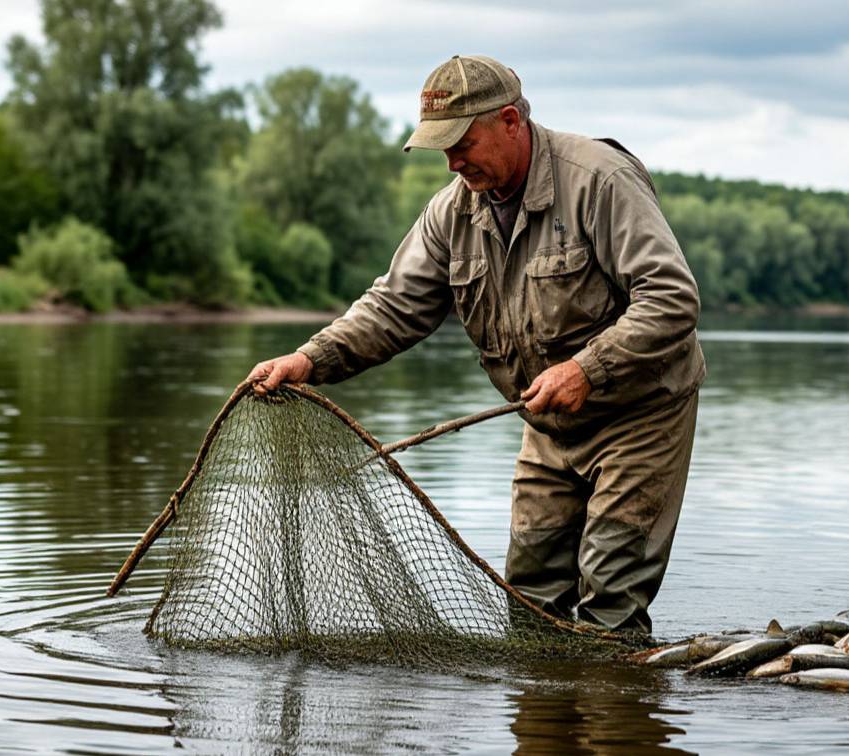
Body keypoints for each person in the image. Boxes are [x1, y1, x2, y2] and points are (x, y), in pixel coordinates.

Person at [246, 54, 705, 633]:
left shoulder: (600, 180)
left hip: (640, 415)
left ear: (511, 122)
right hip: (547, 425)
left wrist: (586, 369)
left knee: (611, 594)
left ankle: (617, 716)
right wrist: (310, 359)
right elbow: (394, 307)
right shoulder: (451, 212)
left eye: (462, 142)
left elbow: (672, 299)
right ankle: (544, 721)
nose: (452, 161)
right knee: (530, 596)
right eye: (441, 147)